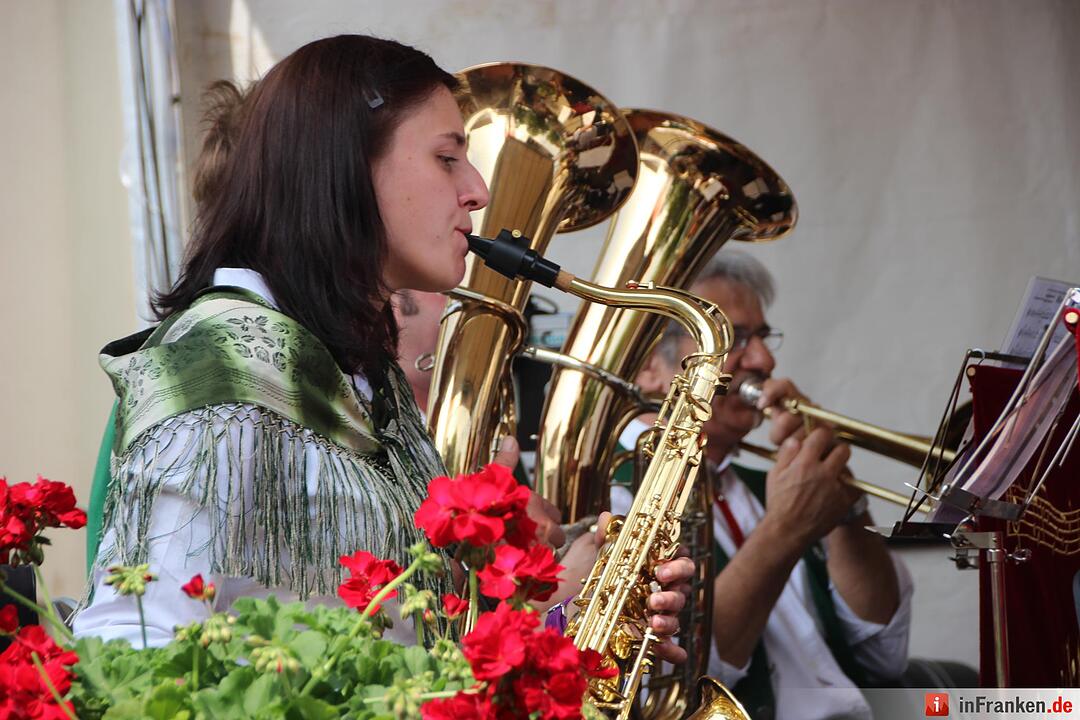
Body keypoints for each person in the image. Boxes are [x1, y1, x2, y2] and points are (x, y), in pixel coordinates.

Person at [75, 35, 691, 655]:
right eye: (447, 158)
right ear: (345, 166)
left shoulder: (363, 374)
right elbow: (133, 644)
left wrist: (573, 622)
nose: (478, 190)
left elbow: (407, 652)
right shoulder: (219, 366)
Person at [612, 250, 913, 720]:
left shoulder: (761, 482)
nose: (765, 359)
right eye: (732, 339)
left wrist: (845, 502)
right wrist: (784, 530)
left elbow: (885, 652)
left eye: (763, 337)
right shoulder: (611, 499)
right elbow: (681, 686)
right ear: (649, 365)